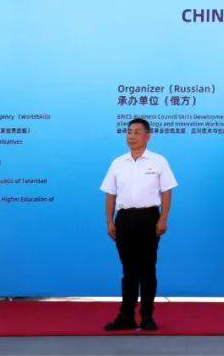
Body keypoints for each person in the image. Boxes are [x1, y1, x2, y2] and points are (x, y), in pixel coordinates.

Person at [99, 117, 177, 331]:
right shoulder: (117, 163)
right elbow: (110, 194)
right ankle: (126, 316)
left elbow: (167, 191)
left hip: (149, 218)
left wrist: (163, 218)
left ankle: (147, 316)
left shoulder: (158, 161)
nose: (131, 136)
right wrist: (109, 221)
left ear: (147, 136)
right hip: (124, 219)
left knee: (148, 269)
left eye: (136, 132)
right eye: (129, 132)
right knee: (129, 270)